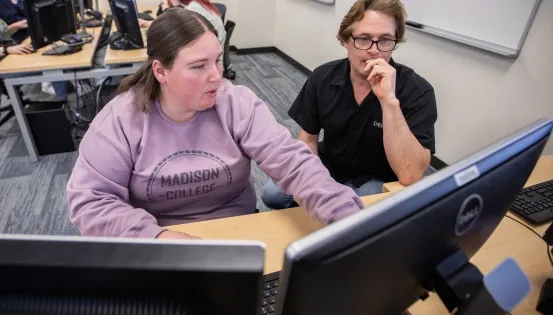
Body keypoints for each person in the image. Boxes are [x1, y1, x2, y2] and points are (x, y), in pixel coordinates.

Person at [66, 8, 363, 240]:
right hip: (161, 242)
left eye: (218, 61)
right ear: (161, 71)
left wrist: (344, 213)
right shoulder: (121, 119)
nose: (216, 75)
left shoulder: (235, 102)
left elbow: (293, 162)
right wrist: (157, 237)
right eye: (198, 66)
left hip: (238, 232)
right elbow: (91, 201)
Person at [261, 0, 437, 209]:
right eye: (364, 39)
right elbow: (308, 140)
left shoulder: (417, 91)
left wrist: (389, 102)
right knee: (272, 193)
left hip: (378, 179)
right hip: (329, 166)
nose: (375, 50)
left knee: (358, 208)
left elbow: (410, 174)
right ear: (345, 40)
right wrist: (313, 181)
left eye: (385, 40)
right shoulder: (323, 77)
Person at [0, 19, 68, 100]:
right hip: (3, 66)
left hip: (12, 54)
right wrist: (6, 49)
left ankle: (71, 98)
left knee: (52, 57)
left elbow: (4, 34)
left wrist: (17, 26)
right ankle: (64, 103)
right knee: (51, 66)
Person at [139, 0, 226, 49]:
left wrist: (165, 7)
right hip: (209, 51)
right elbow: (171, 23)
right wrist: (145, 23)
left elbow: (168, 28)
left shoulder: (192, 9)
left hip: (209, 59)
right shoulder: (197, 3)